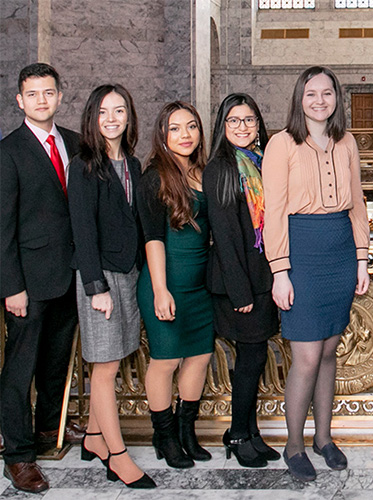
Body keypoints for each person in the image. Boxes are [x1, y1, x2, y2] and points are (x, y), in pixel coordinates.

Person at [262, 66, 370, 481]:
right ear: (299, 98)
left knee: (328, 352)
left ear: (336, 99)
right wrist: (280, 270)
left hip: (340, 249)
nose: (320, 101)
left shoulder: (347, 142)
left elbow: (357, 203)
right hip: (301, 250)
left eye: (327, 93)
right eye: (311, 94)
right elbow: (273, 212)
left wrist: (361, 258)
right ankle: (294, 444)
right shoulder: (281, 143)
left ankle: (324, 438)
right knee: (306, 356)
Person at [0, 63, 85, 494]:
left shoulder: (73, 142)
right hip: (27, 285)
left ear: (59, 96)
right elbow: (2, 228)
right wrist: (11, 286)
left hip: (68, 277)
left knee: (56, 363)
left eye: (48, 93)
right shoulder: (8, 151)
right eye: (32, 94)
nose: (41, 101)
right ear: (20, 100)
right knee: (20, 369)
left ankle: (49, 431)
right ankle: (17, 456)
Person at [68, 84, 155, 488]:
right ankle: (118, 457)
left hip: (130, 273)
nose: (111, 119)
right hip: (99, 277)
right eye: (103, 112)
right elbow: (82, 231)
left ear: (129, 116)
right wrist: (95, 286)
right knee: (104, 367)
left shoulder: (133, 165)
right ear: (92, 116)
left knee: (117, 357)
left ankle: (93, 436)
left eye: (119, 110)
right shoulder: (84, 163)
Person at [204, 93, 280, 467]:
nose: (243, 127)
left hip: (262, 276)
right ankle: (236, 433)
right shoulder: (220, 167)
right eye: (234, 120)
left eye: (249, 120)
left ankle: (251, 432)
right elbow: (225, 234)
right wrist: (239, 291)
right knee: (250, 357)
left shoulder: (263, 161)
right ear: (222, 125)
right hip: (238, 282)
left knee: (257, 353)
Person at [137, 101, 214, 469]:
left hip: (199, 287)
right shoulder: (155, 176)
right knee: (166, 361)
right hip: (165, 282)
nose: (185, 135)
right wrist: (160, 289)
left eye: (191, 127)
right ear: (163, 136)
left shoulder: (204, 172)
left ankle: (187, 431)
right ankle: (164, 436)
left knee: (200, 356)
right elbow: (152, 237)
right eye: (175, 128)